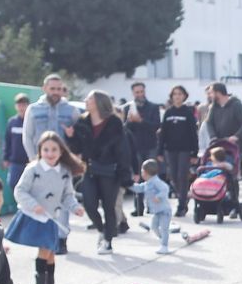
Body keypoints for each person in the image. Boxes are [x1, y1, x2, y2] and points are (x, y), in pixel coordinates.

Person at [6, 130, 84, 284]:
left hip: (52, 217)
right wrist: (34, 205)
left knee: (50, 253)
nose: (50, 153)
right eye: (46, 149)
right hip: (36, 216)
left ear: (61, 151)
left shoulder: (64, 171)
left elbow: (67, 195)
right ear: (40, 151)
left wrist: (75, 207)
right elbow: (20, 190)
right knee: (45, 250)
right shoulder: (33, 169)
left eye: (54, 149)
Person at [68, 90, 133, 254]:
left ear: (98, 102)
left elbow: (122, 150)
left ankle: (108, 240)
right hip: (90, 169)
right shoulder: (82, 122)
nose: (86, 101)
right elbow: (76, 148)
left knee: (108, 207)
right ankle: (102, 230)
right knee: (89, 204)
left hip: (111, 171)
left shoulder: (114, 123)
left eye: (89, 99)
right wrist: (70, 137)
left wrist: (126, 174)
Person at [159, 85, 199, 217]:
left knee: (182, 176)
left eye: (180, 94)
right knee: (174, 177)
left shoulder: (188, 112)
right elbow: (163, 133)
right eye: (175, 94)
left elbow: (193, 133)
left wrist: (194, 152)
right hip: (170, 150)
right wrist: (159, 151)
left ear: (184, 96)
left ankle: (181, 205)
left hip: (185, 149)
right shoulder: (168, 113)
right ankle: (183, 196)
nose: (177, 96)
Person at [125, 83, 161, 216]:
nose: (139, 94)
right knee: (137, 177)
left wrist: (140, 121)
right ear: (133, 93)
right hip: (135, 147)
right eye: (136, 92)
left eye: (141, 91)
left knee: (151, 177)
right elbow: (125, 128)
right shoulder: (128, 108)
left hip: (150, 146)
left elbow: (156, 125)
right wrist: (130, 120)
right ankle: (138, 207)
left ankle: (152, 205)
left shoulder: (153, 107)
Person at [23, 74, 75, 159]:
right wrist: (32, 159)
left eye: (59, 89)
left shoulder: (72, 110)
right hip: (40, 160)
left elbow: (79, 137)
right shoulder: (33, 109)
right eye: (52, 89)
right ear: (44, 89)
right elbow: (27, 136)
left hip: (64, 162)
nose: (56, 92)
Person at [130, 159, 174, 254]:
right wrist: (129, 185)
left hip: (164, 211)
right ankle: (162, 239)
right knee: (154, 227)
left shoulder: (156, 182)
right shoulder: (147, 183)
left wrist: (158, 197)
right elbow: (139, 188)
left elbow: (165, 188)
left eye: (142, 170)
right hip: (157, 212)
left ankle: (164, 246)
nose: (141, 173)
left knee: (164, 228)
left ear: (146, 172)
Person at [4, 94, 31, 196]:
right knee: (13, 183)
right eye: (19, 105)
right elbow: (7, 140)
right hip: (15, 162)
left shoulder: (32, 121)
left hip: (29, 161)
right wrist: (6, 158)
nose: (21, 107)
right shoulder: (12, 122)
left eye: (24, 104)